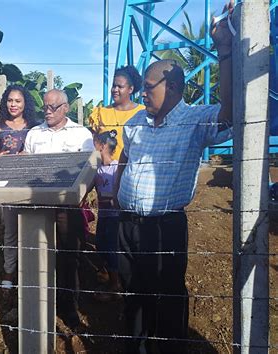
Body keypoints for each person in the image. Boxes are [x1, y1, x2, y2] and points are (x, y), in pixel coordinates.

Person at [116, 3, 234, 352]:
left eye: (148, 87)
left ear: (173, 87)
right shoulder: (135, 121)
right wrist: (112, 197)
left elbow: (230, 113)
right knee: (132, 290)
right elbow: (126, 157)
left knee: (167, 293)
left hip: (163, 226)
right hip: (128, 223)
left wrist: (224, 52)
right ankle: (135, 345)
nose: (141, 93)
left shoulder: (196, 121)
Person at [24, 89, 94, 328]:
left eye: (53, 107)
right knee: (40, 255)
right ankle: (42, 302)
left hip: (67, 206)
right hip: (38, 207)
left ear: (66, 108)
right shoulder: (34, 134)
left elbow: (89, 169)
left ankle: (69, 305)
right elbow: (26, 166)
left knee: (68, 257)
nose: (48, 111)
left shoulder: (81, 135)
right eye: (45, 107)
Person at [0, 85, 38, 291]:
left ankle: (31, 272)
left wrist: (8, 158)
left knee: (32, 230)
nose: (13, 104)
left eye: (18, 101)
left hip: (32, 186)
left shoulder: (35, 127)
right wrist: (16, 158)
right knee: (10, 231)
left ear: (25, 103)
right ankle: (9, 271)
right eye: (10, 100)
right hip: (8, 186)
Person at [89, 65, 145, 161]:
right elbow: (94, 145)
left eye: (120, 87)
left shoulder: (143, 112)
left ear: (130, 89)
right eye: (114, 86)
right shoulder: (101, 113)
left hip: (132, 170)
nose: (115, 89)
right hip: (104, 172)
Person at [91, 130, 121, 302]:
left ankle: (115, 284)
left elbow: (119, 193)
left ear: (101, 146)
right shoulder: (97, 169)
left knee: (111, 247)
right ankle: (106, 274)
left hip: (115, 216)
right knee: (101, 244)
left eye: (95, 144)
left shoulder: (117, 168)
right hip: (104, 215)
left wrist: (105, 199)